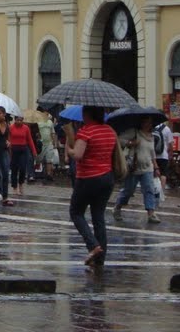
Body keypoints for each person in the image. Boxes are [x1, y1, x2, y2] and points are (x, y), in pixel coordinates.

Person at [65, 106, 118, 269]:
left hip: (88, 178)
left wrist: (69, 147)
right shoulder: (109, 130)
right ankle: (100, 258)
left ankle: (93, 245)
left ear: (88, 115)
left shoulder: (86, 132)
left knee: (76, 212)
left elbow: (78, 155)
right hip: (107, 178)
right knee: (98, 217)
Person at [113, 116, 162, 224]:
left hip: (147, 168)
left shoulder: (152, 136)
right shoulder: (134, 132)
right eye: (145, 122)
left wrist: (156, 167)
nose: (148, 125)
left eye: (150, 123)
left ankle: (151, 213)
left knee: (149, 189)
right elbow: (119, 140)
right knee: (128, 191)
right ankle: (118, 207)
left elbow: (152, 153)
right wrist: (131, 143)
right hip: (133, 168)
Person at [9, 114, 38, 197]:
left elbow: (30, 140)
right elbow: (9, 139)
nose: (19, 122)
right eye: (17, 120)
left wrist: (34, 151)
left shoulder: (26, 128)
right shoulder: (11, 127)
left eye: (21, 120)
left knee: (22, 168)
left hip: (23, 149)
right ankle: (14, 187)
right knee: (14, 169)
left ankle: (21, 184)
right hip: (14, 149)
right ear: (15, 120)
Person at [37, 109, 60, 181]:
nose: (47, 114)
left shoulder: (50, 122)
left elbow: (53, 133)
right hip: (41, 143)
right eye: (46, 113)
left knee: (49, 159)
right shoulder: (38, 122)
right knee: (39, 159)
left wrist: (54, 142)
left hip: (49, 143)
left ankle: (49, 174)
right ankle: (38, 173)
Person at [153, 120, 173, 188]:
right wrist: (170, 154)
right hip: (164, 155)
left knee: (154, 174)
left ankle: (154, 190)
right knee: (163, 174)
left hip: (153, 156)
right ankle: (162, 192)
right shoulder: (166, 129)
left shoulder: (152, 128)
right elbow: (170, 144)